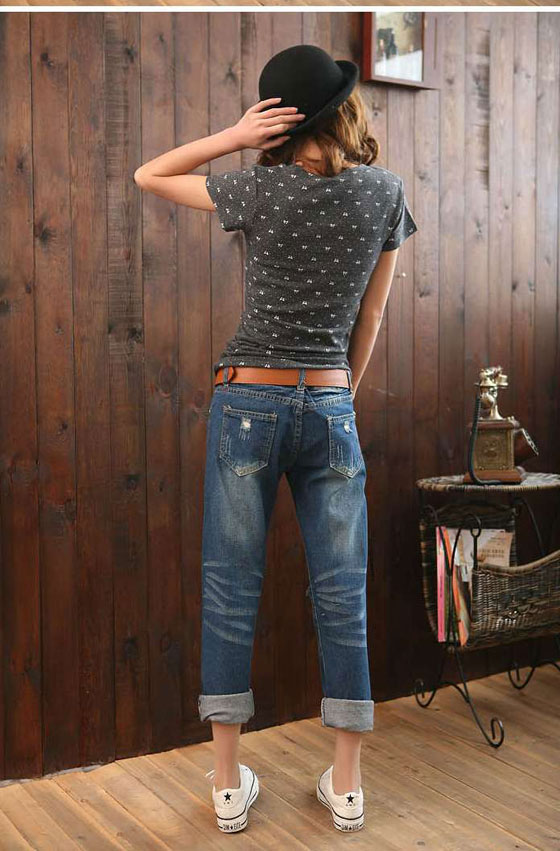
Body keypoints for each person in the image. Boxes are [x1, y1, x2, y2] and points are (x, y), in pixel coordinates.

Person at [134, 44, 417, 835]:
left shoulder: (256, 186)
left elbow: (148, 174)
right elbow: (371, 318)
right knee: (343, 592)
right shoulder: (386, 193)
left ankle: (228, 784)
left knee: (231, 587)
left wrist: (232, 135)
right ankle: (347, 785)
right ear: (342, 111)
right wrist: (337, 398)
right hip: (329, 402)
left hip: (246, 402)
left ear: (279, 121)